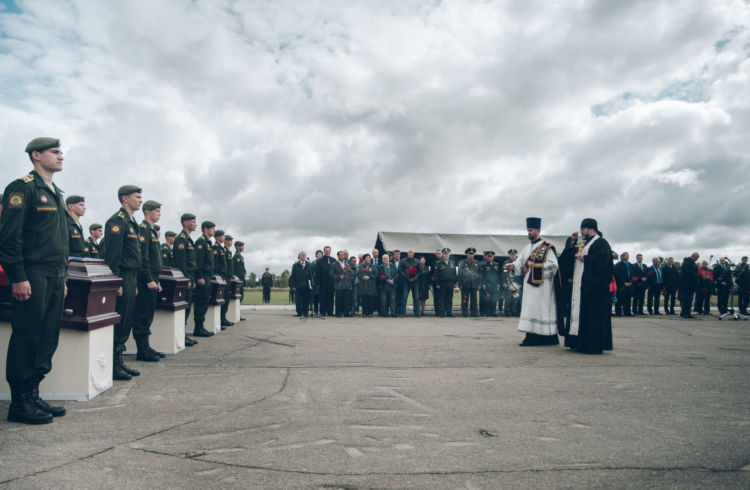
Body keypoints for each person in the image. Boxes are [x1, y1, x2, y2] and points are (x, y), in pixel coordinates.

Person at [0, 137, 68, 424]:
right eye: (54, 152)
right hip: (33, 273)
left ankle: (33, 394)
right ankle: (20, 404)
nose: (61, 156)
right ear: (36, 155)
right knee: (27, 336)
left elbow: (59, 240)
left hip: (54, 274)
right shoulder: (23, 187)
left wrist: (63, 276)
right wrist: (18, 277)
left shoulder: (56, 192)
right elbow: (9, 237)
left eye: (61, 151)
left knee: (46, 337)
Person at [103, 185, 143, 381]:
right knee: (120, 320)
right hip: (123, 275)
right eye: (137, 197)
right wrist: (116, 281)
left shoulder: (131, 221)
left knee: (127, 319)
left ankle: (118, 360)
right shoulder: (117, 222)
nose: (140, 200)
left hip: (131, 276)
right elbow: (113, 255)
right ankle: (112, 364)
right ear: (125, 198)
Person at [505, 217, 563, 346]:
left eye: (531, 230)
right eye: (528, 230)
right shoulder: (526, 248)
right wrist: (513, 266)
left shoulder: (546, 247)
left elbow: (553, 266)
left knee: (541, 311)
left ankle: (547, 338)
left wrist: (536, 265)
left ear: (538, 230)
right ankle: (531, 337)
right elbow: (520, 262)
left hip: (543, 288)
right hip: (529, 286)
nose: (529, 233)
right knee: (530, 310)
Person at [559, 219, 613, 354]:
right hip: (579, 286)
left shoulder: (601, 242)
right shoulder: (582, 243)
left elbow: (604, 263)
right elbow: (565, 260)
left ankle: (591, 345)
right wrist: (571, 242)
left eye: (583, 229)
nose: (581, 231)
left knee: (591, 316)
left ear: (591, 229)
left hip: (593, 288)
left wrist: (586, 259)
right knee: (577, 313)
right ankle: (576, 341)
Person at [132, 200, 164, 362]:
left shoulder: (151, 231)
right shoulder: (143, 230)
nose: (159, 214)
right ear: (147, 212)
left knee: (148, 314)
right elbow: (143, 258)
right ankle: (142, 350)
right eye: (156, 211)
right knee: (142, 315)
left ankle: (146, 346)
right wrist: (149, 279)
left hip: (153, 277)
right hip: (146, 279)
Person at [172, 213, 198, 346]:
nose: (195, 224)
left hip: (190, 276)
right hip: (186, 276)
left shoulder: (188, 239)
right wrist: (185, 279)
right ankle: (181, 335)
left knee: (187, 307)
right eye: (193, 222)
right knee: (184, 307)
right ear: (186, 223)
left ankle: (184, 335)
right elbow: (180, 262)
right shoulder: (181, 240)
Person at [193, 221, 216, 336]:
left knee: (205, 301)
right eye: (212, 228)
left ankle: (201, 326)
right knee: (201, 302)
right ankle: (198, 328)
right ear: (205, 229)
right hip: (203, 276)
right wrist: (200, 276)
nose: (214, 230)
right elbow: (198, 262)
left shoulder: (208, 242)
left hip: (208, 275)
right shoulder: (201, 242)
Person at [212, 230, 232, 328]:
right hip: (221, 277)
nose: (224, 238)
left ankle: (223, 318)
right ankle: (220, 319)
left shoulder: (222, 249)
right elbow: (216, 265)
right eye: (223, 236)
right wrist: (221, 277)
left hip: (225, 277)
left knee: (225, 298)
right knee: (221, 298)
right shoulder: (216, 248)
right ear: (218, 237)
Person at [457, 248, 480, 317]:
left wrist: (479, 284)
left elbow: (479, 274)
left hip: (474, 284)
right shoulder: (462, 262)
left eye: (472, 254)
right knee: (465, 298)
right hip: (465, 284)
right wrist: (460, 284)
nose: (471, 255)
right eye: (470, 254)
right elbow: (460, 274)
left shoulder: (476, 262)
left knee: (474, 299)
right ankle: (464, 312)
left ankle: (474, 312)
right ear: (467, 254)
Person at [435, 248, 457, 317]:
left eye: (447, 254)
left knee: (449, 298)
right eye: (444, 254)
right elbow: (436, 274)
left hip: (451, 283)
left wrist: (455, 283)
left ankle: (449, 312)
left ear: (449, 254)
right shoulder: (439, 263)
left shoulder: (452, 262)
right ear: (442, 255)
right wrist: (437, 283)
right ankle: (442, 312)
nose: (446, 255)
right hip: (442, 283)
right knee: (442, 298)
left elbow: (454, 273)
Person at [398, 248, 420, 317]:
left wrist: (415, 277)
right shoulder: (402, 261)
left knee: (416, 297)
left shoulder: (417, 261)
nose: (410, 253)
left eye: (411, 252)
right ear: (407, 253)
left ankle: (416, 313)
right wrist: (407, 277)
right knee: (404, 297)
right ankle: (402, 313)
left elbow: (420, 271)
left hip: (415, 282)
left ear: (413, 254)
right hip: (405, 281)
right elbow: (400, 270)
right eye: (409, 252)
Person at [479, 251, 501, 317]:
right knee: (487, 299)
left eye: (491, 256)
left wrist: (499, 283)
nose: (490, 257)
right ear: (487, 257)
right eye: (489, 256)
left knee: (494, 299)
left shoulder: (496, 264)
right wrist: (483, 284)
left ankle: (493, 312)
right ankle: (487, 312)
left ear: (493, 257)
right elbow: (482, 275)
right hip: (487, 284)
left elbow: (498, 275)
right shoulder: (484, 265)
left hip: (495, 284)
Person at [290, 251, 312, 317]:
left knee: (306, 300)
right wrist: (293, 286)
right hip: (298, 286)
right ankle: (299, 313)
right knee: (298, 300)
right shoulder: (295, 265)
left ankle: (305, 313)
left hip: (306, 286)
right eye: (302, 255)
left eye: (304, 255)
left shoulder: (309, 264)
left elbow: (311, 276)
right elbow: (293, 276)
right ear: (299, 256)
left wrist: (311, 285)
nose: (303, 256)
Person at [678, 252, 700, 318]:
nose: (696, 259)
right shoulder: (687, 262)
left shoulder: (693, 264)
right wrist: (700, 276)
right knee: (685, 299)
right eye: (696, 258)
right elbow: (691, 273)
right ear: (692, 256)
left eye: (697, 258)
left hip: (691, 285)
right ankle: (684, 313)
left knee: (690, 300)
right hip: (685, 285)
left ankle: (688, 313)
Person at [501, 249, 522, 317]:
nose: (512, 256)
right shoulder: (506, 263)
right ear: (509, 255)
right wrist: (504, 282)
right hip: (509, 282)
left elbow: (521, 274)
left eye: (514, 255)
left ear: (516, 255)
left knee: (516, 298)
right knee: (508, 299)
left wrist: (521, 283)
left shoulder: (519, 263)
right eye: (511, 255)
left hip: (517, 283)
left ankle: (515, 312)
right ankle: (507, 312)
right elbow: (504, 273)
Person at [613, 252, 634, 316]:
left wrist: (630, 282)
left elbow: (633, 274)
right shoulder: (618, 265)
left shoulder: (630, 265)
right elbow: (617, 275)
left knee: (628, 299)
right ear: (623, 257)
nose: (628, 257)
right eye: (626, 256)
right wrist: (624, 282)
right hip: (621, 285)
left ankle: (627, 312)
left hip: (629, 285)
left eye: (628, 256)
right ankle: (618, 312)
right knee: (620, 299)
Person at [330, 251, 350, 317]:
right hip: (338, 285)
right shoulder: (334, 264)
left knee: (346, 300)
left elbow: (348, 274)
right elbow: (331, 275)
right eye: (341, 255)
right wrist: (338, 277)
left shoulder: (346, 264)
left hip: (346, 284)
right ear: (338, 256)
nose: (342, 256)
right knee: (338, 300)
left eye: (343, 255)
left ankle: (346, 313)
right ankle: (338, 313)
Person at [317, 246, 335, 317]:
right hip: (323, 283)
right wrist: (318, 283)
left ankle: (330, 312)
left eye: (329, 251)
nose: (328, 252)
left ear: (330, 251)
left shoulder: (333, 260)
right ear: (324, 251)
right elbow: (318, 273)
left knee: (331, 298)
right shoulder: (320, 261)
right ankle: (323, 312)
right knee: (323, 298)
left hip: (331, 283)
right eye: (326, 251)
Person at [233, 241, 247, 319]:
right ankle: (237, 314)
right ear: (237, 247)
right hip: (238, 280)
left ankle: (238, 314)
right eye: (241, 246)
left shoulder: (240, 257)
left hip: (241, 280)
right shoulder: (236, 257)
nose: (243, 248)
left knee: (241, 297)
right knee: (238, 297)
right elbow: (237, 271)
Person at [311, 250, 323, 315]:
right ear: (316, 255)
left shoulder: (323, 262)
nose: (320, 255)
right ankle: (315, 310)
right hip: (315, 283)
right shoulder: (313, 263)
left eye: (321, 254)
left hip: (323, 283)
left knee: (322, 298)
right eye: (319, 254)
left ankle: (322, 311)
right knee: (316, 297)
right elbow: (312, 274)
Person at [431, 249, 443, 317]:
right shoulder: (433, 262)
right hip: (436, 283)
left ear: (441, 254)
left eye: (439, 253)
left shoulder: (444, 261)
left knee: (443, 297)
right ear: (435, 254)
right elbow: (432, 273)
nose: (438, 254)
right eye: (437, 253)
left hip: (443, 283)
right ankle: (437, 312)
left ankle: (442, 311)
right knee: (436, 298)